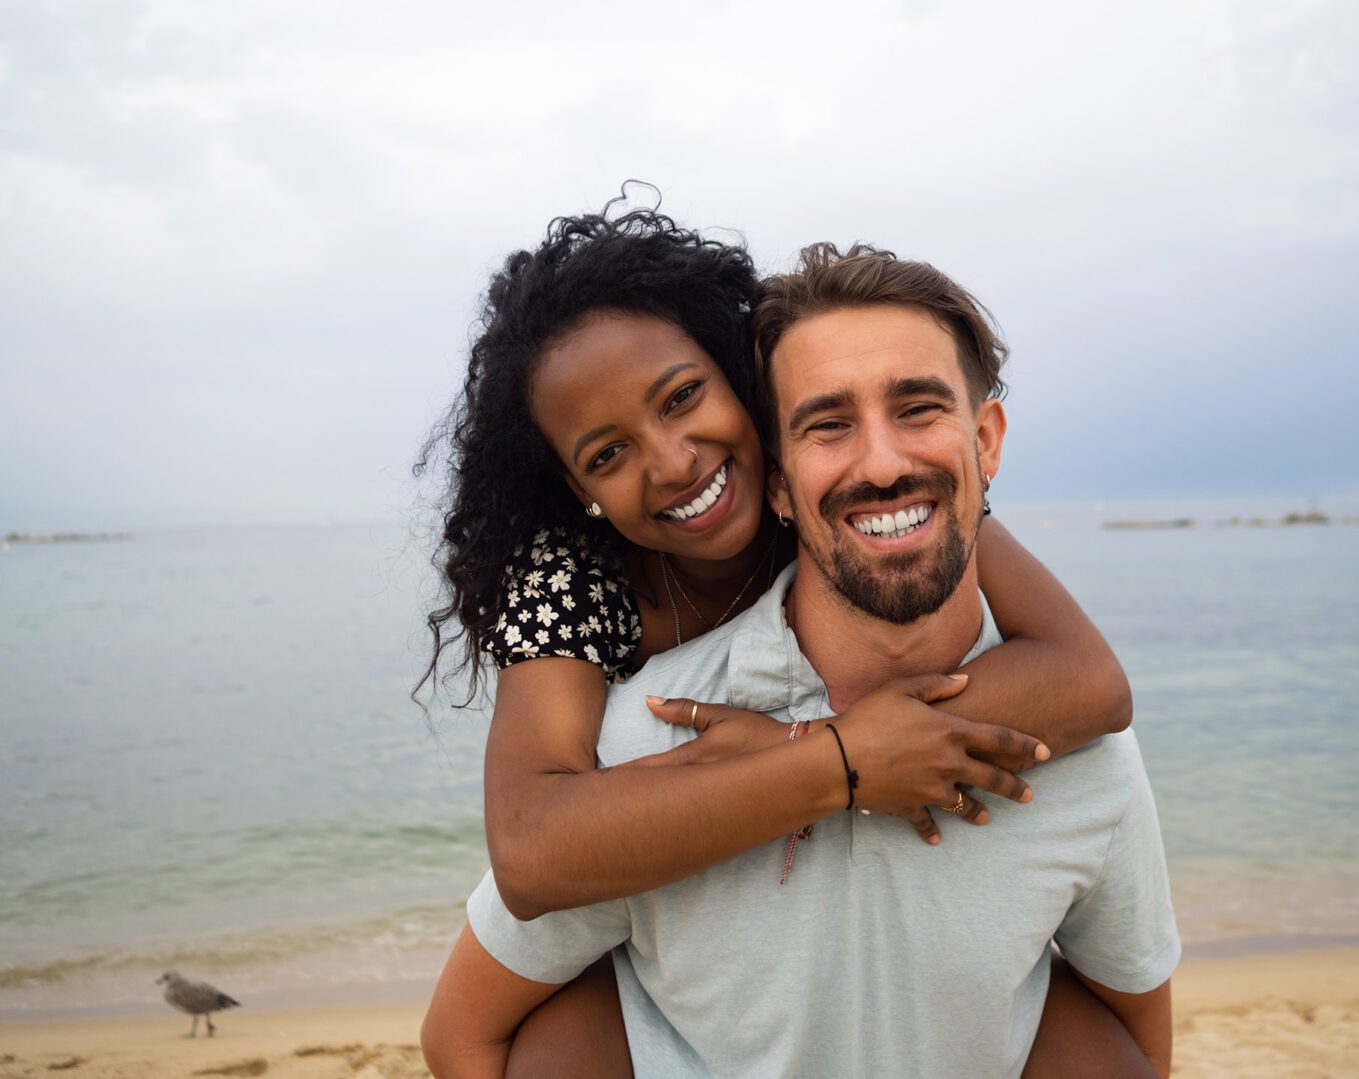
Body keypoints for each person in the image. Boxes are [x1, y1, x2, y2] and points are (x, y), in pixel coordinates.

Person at [422, 242, 1180, 1077]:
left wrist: (830, 742)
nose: (673, 462)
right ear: (580, 488)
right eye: (607, 453)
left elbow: (1090, 680)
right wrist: (832, 763)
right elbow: (533, 852)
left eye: (681, 398)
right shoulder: (576, 588)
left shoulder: (865, 484)